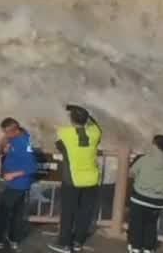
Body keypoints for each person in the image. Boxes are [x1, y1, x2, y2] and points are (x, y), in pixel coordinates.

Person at [51, 104, 102, 253]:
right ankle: (78, 242)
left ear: (71, 120)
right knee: (85, 212)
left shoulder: (64, 133)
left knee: (68, 212)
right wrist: (82, 112)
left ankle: (65, 244)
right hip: (92, 179)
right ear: (87, 120)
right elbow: (96, 125)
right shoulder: (95, 134)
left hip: (72, 180)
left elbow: (58, 144)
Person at [0, 117, 36, 251]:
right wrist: (5, 147)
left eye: (7, 132)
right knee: (17, 213)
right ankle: (13, 239)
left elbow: (32, 167)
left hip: (17, 184)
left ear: (15, 130)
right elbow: (8, 151)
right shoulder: (16, 138)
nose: (5, 135)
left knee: (2, 212)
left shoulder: (22, 143)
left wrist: (12, 175)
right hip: (16, 185)